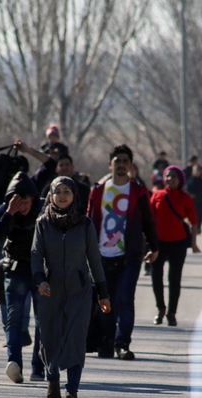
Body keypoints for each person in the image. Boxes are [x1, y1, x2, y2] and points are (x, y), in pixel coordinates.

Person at [32, 177, 110, 398]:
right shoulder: (43, 224)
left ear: (74, 195)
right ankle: (53, 378)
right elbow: (36, 255)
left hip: (80, 291)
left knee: (76, 339)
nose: (62, 196)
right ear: (51, 196)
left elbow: (94, 260)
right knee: (50, 338)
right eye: (58, 192)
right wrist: (40, 281)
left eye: (67, 191)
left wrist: (102, 293)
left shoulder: (85, 224)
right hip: (50, 291)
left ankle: (72, 390)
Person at [88, 144, 159, 360]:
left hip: (130, 257)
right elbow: (89, 222)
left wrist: (154, 248)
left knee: (125, 299)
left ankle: (122, 344)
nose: (121, 165)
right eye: (117, 161)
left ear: (130, 165)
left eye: (125, 161)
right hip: (101, 256)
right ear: (110, 164)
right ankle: (107, 342)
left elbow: (148, 220)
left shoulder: (137, 191)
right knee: (106, 302)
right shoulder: (98, 191)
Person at [0, 172, 44, 383]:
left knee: (43, 321)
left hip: (41, 271)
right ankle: (14, 364)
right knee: (13, 319)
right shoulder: (5, 211)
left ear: (33, 198)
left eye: (26, 200)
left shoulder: (44, 209)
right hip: (15, 270)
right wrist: (10, 213)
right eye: (17, 200)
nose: (22, 205)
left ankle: (39, 367)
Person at [149, 167, 201, 326]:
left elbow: (193, 222)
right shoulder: (157, 196)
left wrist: (193, 243)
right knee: (156, 277)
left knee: (174, 278)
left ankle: (172, 313)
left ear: (180, 181)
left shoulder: (185, 198)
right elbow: (149, 220)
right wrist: (149, 244)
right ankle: (160, 309)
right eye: (168, 176)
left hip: (178, 244)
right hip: (158, 243)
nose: (171, 179)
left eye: (174, 177)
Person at [186, 165, 202, 234]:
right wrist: (190, 195)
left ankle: (198, 227)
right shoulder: (191, 180)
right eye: (194, 171)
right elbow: (188, 190)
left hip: (201, 200)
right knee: (193, 215)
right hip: (193, 201)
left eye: (197, 171)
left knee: (200, 215)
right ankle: (193, 228)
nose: (196, 172)